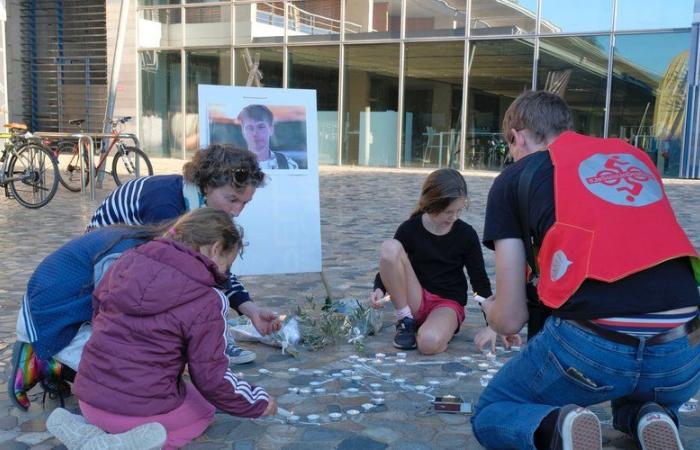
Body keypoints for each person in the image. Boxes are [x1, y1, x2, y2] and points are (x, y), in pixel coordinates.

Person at [472, 90, 700, 450]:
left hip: (597, 344)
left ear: (517, 136)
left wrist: (491, 315)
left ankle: (560, 426)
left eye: (510, 147)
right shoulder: (634, 158)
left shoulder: (515, 177)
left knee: (492, 411)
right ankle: (651, 418)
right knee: (637, 388)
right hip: (686, 343)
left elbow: (511, 317)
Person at [72, 208, 277, 449]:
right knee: (203, 411)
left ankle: (93, 431)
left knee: (181, 390)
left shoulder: (126, 260)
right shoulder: (207, 298)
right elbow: (212, 378)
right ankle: (122, 443)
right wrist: (258, 402)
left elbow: (98, 315)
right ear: (214, 249)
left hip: (89, 400)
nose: (224, 275)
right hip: (135, 412)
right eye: (226, 266)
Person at [87, 143, 278, 364]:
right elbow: (171, 274)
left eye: (245, 203)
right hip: (103, 266)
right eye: (232, 199)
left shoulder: (198, 205)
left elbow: (218, 271)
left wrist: (252, 311)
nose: (236, 211)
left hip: (128, 263)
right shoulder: (166, 205)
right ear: (207, 186)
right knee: (187, 285)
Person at [9, 223, 173, 411]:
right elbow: (117, 319)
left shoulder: (142, 242)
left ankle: (53, 362)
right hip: (49, 318)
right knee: (124, 380)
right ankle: (44, 356)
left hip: (62, 308)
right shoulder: (129, 257)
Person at [369, 168, 520, 354]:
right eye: (449, 212)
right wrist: (379, 289)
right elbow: (391, 265)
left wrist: (494, 324)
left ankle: (432, 330)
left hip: (446, 304)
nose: (454, 217)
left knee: (428, 344)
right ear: (432, 204)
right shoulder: (410, 229)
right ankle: (405, 321)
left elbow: (479, 283)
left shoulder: (466, 234)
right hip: (414, 298)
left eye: (459, 210)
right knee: (390, 247)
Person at [238, 104, 299, 169]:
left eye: (261, 127)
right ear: (243, 132)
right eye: (249, 128)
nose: (255, 133)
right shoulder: (234, 165)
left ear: (271, 130)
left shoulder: (288, 165)